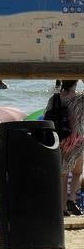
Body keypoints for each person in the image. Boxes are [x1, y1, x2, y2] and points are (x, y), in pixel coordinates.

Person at [45, 79, 84, 216]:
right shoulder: (80, 97)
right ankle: (71, 199)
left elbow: (47, 118)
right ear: (76, 82)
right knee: (77, 172)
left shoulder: (55, 98)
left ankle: (62, 209)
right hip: (79, 139)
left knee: (63, 175)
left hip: (61, 138)